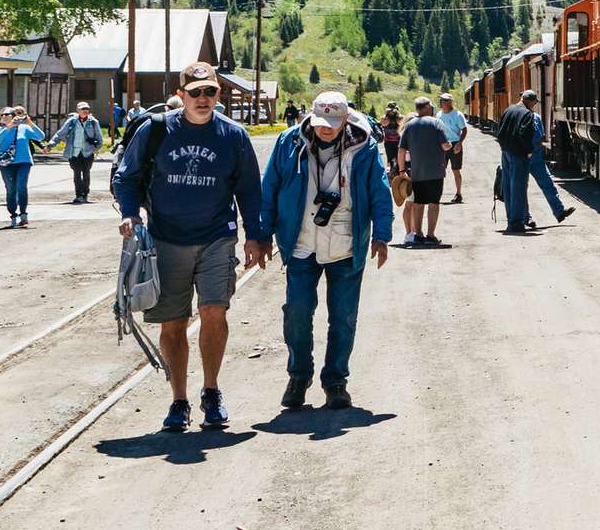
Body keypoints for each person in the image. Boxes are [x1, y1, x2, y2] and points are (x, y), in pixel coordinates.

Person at [113, 62, 263, 432]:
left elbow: (249, 191)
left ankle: (211, 392)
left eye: (209, 92)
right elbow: (126, 177)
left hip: (216, 236)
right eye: (195, 92)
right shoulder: (156, 130)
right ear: (181, 95)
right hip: (166, 240)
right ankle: (179, 400)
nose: (202, 98)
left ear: (218, 94)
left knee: (215, 311)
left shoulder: (233, 135)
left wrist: (257, 236)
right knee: (174, 322)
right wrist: (132, 214)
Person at [254, 91, 391, 410]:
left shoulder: (364, 147)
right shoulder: (289, 143)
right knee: (298, 313)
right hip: (301, 242)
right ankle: (298, 376)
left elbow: (379, 192)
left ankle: (336, 381)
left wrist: (381, 235)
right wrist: (262, 235)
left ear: (345, 119)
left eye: (332, 123)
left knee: (343, 317)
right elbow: (269, 188)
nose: (325, 129)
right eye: (320, 122)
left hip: (345, 243)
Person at [494, 89, 574, 234]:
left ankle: (519, 219)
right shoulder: (528, 114)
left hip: (510, 152)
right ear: (530, 101)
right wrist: (528, 151)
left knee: (512, 187)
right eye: (534, 103)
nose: (534, 106)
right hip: (524, 155)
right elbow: (527, 135)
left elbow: (500, 132)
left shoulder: (508, 110)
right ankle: (518, 222)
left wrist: (505, 148)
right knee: (518, 188)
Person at [398, 96, 451, 247]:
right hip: (436, 171)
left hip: (417, 172)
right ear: (427, 107)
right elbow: (445, 145)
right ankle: (431, 235)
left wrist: (402, 171)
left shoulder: (409, 126)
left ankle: (419, 235)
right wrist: (451, 146)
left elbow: (401, 150)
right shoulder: (436, 123)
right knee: (434, 203)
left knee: (418, 204)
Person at [0, 107, 45, 227]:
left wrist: (30, 123)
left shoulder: (24, 128)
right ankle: (13, 215)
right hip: (6, 163)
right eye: (2, 115)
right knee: (11, 189)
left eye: (8, 114)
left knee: (22, 186)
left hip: (24, 161)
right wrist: (10, 126)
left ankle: (23, 214)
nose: (4, 116)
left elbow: (41, 136)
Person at [50, 101, 106, 204]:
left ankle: (85, 194)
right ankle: (78, 195)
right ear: (78, 110)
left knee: (86, 173)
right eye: (83, 109)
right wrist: (51, 144)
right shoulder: (72, 121)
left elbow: (100, 138)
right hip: (74, 152)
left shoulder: (93, 122)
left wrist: (95, 148)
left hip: (88, 153)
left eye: (87, 109)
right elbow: (60, 134)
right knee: (76, 173)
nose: (85, 111)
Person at [437, 92, 468, 203]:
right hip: (442, 144)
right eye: (441, 100)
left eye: (443, 100)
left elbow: (464, 129)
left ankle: (458, 194)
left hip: (455, 144)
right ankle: (437, 193)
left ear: (449, 102)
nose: (441, 102)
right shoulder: (439, 114)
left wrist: (459, 143)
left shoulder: (457, 114)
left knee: (456, 170)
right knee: (440, 170)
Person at [379, 102, 403, 173]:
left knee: (395, 159)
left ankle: (395, 172)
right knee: (393, 159)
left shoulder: (398, 117)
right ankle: (394, 171)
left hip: (395, 141)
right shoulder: (386, 117)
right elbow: (383, 123)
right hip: (392, 141)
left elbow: (401, 123)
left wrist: (396, 117)